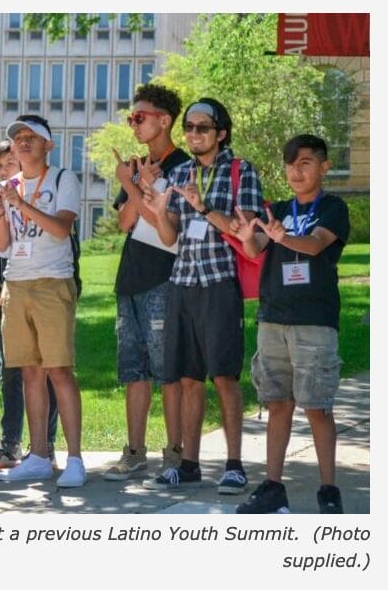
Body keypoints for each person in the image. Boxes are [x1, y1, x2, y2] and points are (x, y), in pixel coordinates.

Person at [142, 97, 263, 494]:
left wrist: (204, 205)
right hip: (183, 283)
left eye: (202, 128)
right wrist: (159, 211)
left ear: (220, 133)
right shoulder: (181, 172)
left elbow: (244, 231)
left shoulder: (240, 171)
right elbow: (170, 237)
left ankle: (234, 465)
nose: (194, 134)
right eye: (190, 128)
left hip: (219, 284)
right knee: (188, 378)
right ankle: (188, 464)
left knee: (224, 377)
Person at [232, 134, 350, 514]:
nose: (296, 172)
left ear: (323, 166)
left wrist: (286, 236)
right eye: (290, 165)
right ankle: (272, 487)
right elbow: (256, 250)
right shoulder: (277, 209)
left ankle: (329, 491)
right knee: (277, 404)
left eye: (305, 163)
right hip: (272, 319)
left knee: (317, 407)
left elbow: (315, 246)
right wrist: (247, 236)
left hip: (314, 321)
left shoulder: (333, 208)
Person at [0, 114, 86, 487]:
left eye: (31, 137)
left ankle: (74, 459)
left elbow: (61, 229)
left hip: (52, 283)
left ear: (48, 145)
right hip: (16, 283)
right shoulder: (9, 184)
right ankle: (38, 455)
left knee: (59, 370)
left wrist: (20, 203)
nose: (23, 143)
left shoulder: (62, 179)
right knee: (29, 371)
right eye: (17, 138)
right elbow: (1, 245)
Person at [102, 84, 187, 481]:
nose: (133, 124)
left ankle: (175, 454)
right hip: (131, 276)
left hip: (164, 277)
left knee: (166, 368)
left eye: (140, 117)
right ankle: (135, 451)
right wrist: (134, 182)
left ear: (164, 120)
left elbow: (167, 226)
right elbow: (124, 222)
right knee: (133, 369)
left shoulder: (183, 167)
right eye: (131, 118)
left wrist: (136, 185)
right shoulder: (137, 165)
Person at [0, 141, 58, 469]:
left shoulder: (41, 197)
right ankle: (10, 444)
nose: (3, 170)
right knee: (12, 370)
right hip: (10, 297)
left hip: (44, 292)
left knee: (48, 371)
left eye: (9, 163)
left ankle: (46, 446)